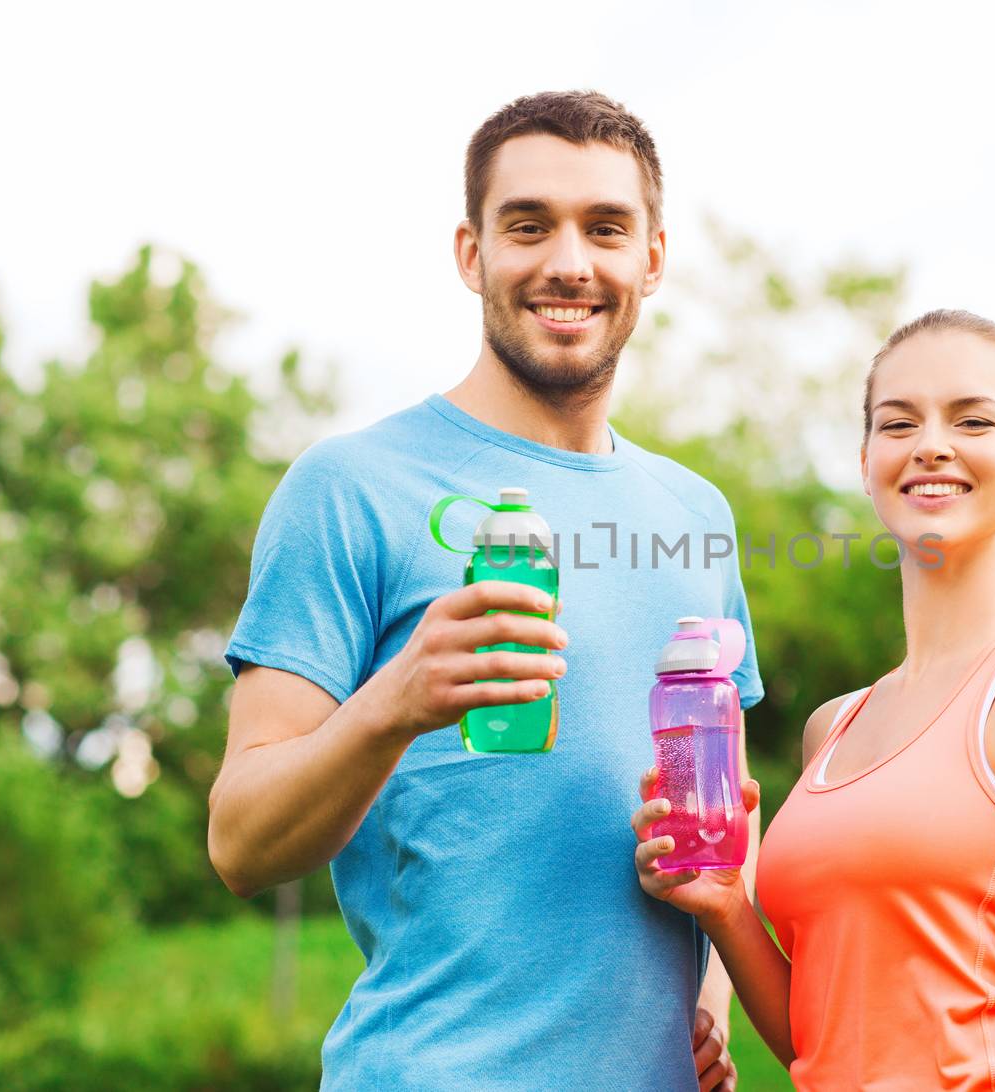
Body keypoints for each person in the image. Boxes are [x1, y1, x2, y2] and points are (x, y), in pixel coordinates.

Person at [210, 91, 762, 1091]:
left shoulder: (696, 515)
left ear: (653, 257)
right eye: (527, 225)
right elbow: (241, 841)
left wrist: (707, 1001)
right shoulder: (349, 490)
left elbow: (723, 808)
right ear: (470, 254)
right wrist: (397, 700)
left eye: (605, 228)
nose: (568, 262)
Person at [633, 309, 995, 1090]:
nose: (931, 444)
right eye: (898, 423)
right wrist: (728, 908)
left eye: (972, 419)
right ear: (868, 459)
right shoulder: (831, 729)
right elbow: (826, 1038)